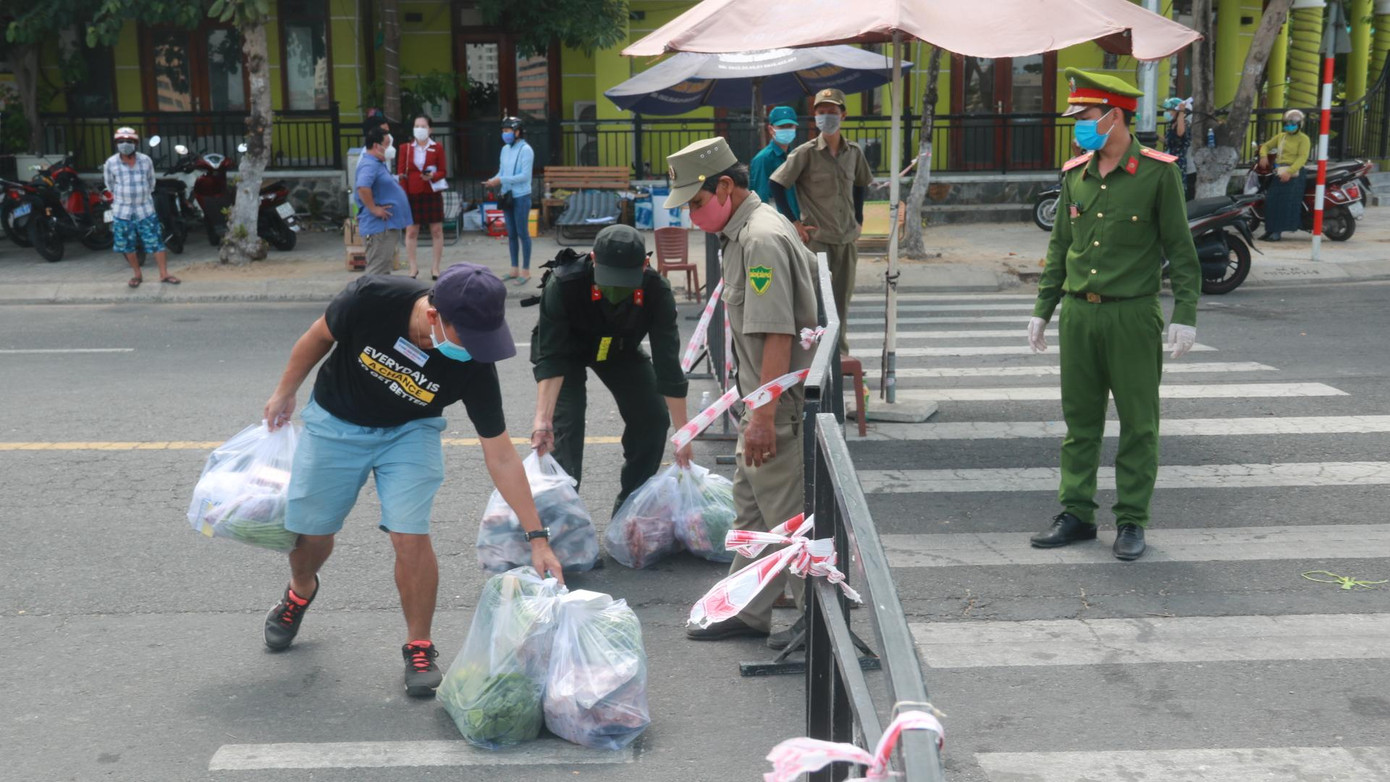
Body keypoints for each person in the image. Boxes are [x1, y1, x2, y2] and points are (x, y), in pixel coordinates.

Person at [260, 264, 564, 697]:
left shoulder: (475, 364)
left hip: (410, 431)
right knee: (312, 533)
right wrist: (285, 390)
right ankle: (301, 590)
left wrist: (538, 537)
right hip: (336, 421)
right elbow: (318, 337)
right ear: (436, 315)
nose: (478, 349)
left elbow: (500, 454)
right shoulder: (373, 297)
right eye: (470, 336)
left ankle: (419, 643)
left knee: (410, 534)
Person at [1026, 69, 1201, 562]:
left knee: (1138, 424)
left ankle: (1131, 520)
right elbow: (1060, 247)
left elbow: (1181, 253)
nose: (1079, 127)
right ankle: (1077, 514)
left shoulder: (1157, 173)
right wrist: (1044, 308)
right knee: (1079, 424)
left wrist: (1184, 313)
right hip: (1080, 316)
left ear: (1114, 116)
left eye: (1085, 117)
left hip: (1132, 315)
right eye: (1077, 119)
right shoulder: (1074, 174)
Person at [665, 137, 819, 649]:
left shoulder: (759, 240)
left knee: (785, 518)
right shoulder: (742, 234)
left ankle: (820, 625)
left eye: (695, 202)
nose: (691, 214)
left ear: (725, 187)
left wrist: (763, 416)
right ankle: (747, 609)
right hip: (760, 399)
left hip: (774, 404)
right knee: (753, 511)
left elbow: (777, 333)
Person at [529, 224, 691, 513]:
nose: (615, 290)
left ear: (645, 265)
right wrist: (543, 420)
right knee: (564, 430)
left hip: (619, 349)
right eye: (609, 279)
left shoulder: (656, 290)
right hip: (567, 354)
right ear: (593, 259)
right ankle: (565, 526)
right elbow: (552, 357)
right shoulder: (564, 283)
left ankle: (631, 511)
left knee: (653, 419)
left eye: (625, 281)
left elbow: (668, 366)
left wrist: (684, 435)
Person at [769, 88, 872, 356]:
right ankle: (815, 357)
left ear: (844, 115)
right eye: (821, 113)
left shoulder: (855, 152)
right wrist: (794, 222)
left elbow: (861, 185)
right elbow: (777, 184)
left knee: (842, 301)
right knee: (815, 305)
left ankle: (839, 353)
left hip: (847, 239)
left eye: (832, 113)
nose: (827, 118)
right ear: (814, 117)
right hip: (818, 241)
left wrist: (859, 219)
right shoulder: (806, 153)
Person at [103, 127, 179, 288]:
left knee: (156, 242)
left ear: (135, 144)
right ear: (116, 144)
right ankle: (137, 275)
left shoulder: (146, 161)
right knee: (127, 245)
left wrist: (141, 196)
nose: (125, 144)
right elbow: (110, 185)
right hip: (122, 211)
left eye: (129, 141)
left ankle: (164, 274)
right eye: (121, 141)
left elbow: (151, 182)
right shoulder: (111, 163)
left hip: (145, 209)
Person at [355, 126, 412, 275]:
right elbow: (362, 187)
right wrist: (374, 209)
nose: (390, 148)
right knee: (377, 272)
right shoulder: (369, 164)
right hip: (379, 228)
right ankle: (368, 298)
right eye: (387, 144)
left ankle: (379, 298)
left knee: (383, 271)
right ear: (376, 146)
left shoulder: (377, 163)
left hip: (385, 226)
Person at [484, 117, 535, 284]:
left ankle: (526, 271)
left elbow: (525, 176)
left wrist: (501, 180)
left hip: (521, 196)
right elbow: (502, 171)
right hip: (507, 195)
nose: (504, 134)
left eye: (507, 131)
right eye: (503, 131)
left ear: (517, 132)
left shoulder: (526, 150)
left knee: (523, 233)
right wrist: (493, 180)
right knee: (511, 234)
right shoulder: (505, 149)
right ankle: (514, 269)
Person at [398, 115, 448, 280]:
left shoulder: (437, 147)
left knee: (436, 230)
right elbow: (401, 174)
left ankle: (435, 268)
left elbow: (443, 171)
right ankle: (413, 268)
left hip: (431, 192)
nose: (419, 129)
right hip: (412, 193)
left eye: (423, 126)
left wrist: (433, 175)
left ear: (430, 129)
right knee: (412, 231)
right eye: (416, 126)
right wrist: (403, 196)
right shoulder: (405, 148)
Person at [1256, 109, 1311, 242]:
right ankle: (1269, 230)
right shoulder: (1281, 136)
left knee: (1285, 203)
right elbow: (1265, 146)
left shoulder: (1304, 139)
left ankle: (1277, 232)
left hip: (1294, 174)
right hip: (1279, 172)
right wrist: (1263, 156)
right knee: (1271, 201)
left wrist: (1290, 172)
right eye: (1287, 124)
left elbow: (1302, 158)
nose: (1289, 126)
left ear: (1299, 125)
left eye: (1292, 124)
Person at [749, 105, 801, 221]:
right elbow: (761, 197)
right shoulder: (763, 159)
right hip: (776, 223)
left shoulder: (794, 156)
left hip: (795, 221)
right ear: (771, 129)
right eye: (782, 126)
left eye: (790, 126)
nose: (786, 130)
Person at [1162, 97, 1196, 200]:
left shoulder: (1183, 124)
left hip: (1179, 162)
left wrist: (1181, 112)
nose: (1167, 113)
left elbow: (1180, 133)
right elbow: (1169, 142)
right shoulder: (1172, 125)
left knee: (1177, 189)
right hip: (1169, 159)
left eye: (1169, 110)